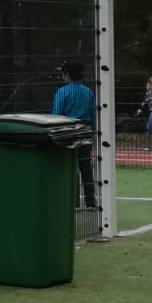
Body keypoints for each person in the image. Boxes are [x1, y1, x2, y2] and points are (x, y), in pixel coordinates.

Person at [53, 61, 98, 209]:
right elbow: (93, 114)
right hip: (85, 132)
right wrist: (92, 130)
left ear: (67, 74)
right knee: (86, 167)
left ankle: (74, 201)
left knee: (70, 168)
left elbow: (57, 115)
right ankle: (90, 201)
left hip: (68, 133)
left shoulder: (62, 92)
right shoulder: (88, 91)